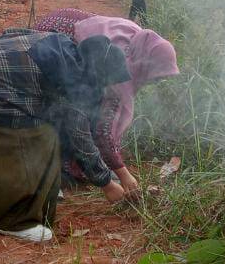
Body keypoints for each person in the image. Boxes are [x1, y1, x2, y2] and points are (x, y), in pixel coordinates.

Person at [0, 32, 130, 242]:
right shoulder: (70, 80)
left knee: (47, 122)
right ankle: (17, 220)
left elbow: (10, 34)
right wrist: (108, 185)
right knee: (45, 137)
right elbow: (81, 142)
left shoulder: (64, 45)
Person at [34, 10, 179, 194]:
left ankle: (73, 161)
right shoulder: (118, 64)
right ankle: (61, 167)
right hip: (52, 40)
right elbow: (103, 128)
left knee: (79, 107)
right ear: (148, 64)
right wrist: (120, 173)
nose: (156, 81)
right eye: (157, 76)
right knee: (67, 107)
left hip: (60, 27)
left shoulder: (139, 41)